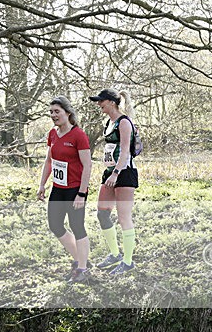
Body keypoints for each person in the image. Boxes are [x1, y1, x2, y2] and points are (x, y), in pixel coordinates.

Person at [37, 97, 93, 284]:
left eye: (57, 111)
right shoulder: (53, 134)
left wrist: (82, 193)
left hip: (75, 189)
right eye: (51, 112)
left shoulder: (79, 135)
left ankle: (83, 269)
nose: (53, 115)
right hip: (58, 189)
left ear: (67, 113)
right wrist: (42, 184)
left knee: (78, 227)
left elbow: (87, 165)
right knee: (55, 226)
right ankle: (79, 259)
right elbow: (49, 161)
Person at [89, 88, 138, 275]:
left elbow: (125, 150)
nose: (98, 104)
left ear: (111, 102)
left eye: (101, 101)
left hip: (124, 173)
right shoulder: (108, 123)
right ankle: (115, 254)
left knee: (124, 217)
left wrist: (116, 173)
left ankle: (127, 262)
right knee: (102, 213)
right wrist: (110, 172)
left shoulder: (124, 122)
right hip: (110, 172)